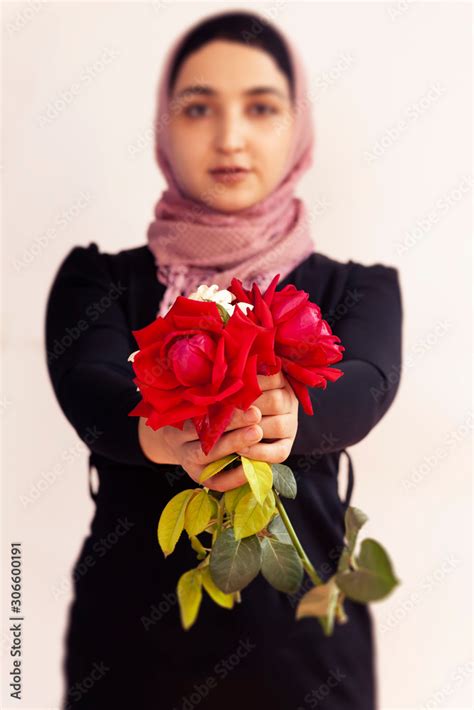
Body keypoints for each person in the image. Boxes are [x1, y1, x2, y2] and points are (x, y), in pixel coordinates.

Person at [45, 10, 402, 710]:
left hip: (310, 666)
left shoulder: (359, 289)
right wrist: (159, 431)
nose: (230, 138)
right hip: (128, 662)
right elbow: (88, 383)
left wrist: (284, 417)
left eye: (262, 108)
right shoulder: (100, 281)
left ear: (296, 128)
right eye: (198, 107)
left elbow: (365, 385)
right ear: (162, 124)